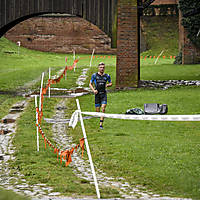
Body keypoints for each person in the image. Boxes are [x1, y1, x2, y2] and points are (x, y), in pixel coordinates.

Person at [89, 62, 112, 129]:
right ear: (98, 68)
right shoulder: (94, 75)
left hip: (103, 94)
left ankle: (101, 124)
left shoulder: (107, 76)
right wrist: (93, 90)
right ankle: (99, 117)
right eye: (101, 67)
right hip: (97, 94)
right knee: (97, 111)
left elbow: (111, 83)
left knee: (103, 108)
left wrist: (107, 85)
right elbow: (90, 84)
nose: (102, 69)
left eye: (103, 68)